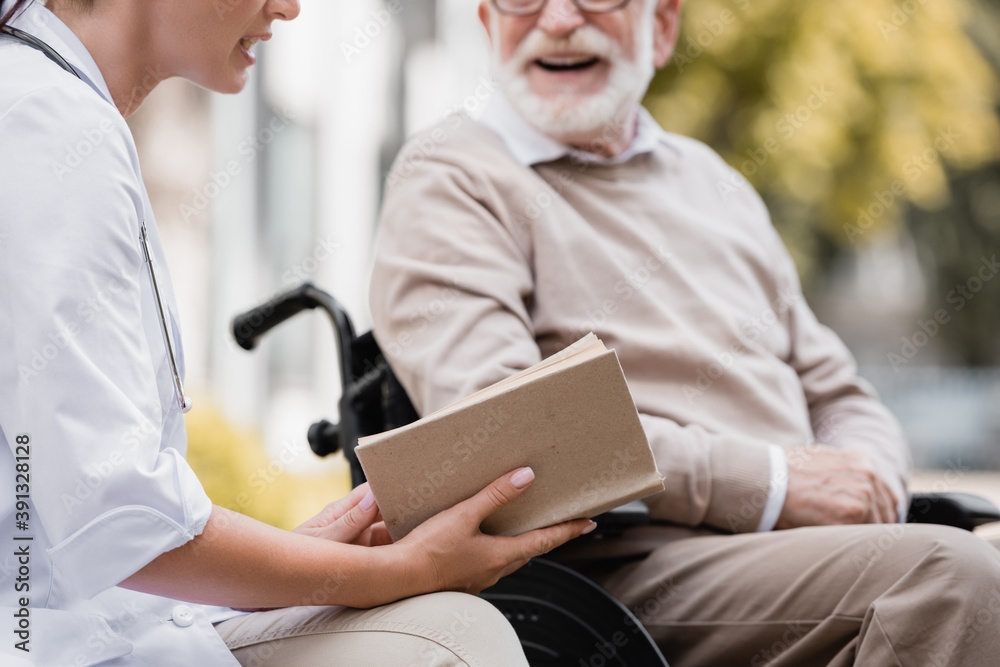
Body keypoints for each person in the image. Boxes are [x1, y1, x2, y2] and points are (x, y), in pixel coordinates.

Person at [369, 0, 1000, 664]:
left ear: (662, 28)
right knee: (948, 579)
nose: (556, 20)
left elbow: (838, 391)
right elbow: (500, 428)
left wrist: (869, 478)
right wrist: (776, 484)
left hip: (800, 558)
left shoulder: (709, 180)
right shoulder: (451, 177)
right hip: (624, 571)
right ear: (487, 23)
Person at [0, 0, 596, 665]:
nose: (289, 7)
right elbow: (114, 522)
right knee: (452, 638)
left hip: (97, 633)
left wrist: (300, 556)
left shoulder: (49, 109)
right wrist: (407, 570)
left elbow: (96, 531)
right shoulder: (45, 125)